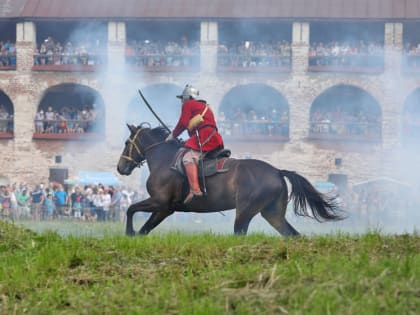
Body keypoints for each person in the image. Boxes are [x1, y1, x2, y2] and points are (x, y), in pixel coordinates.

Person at [165, 84, 224, 204]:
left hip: (205, 135)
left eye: (183, 98)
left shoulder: (189, 104)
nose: (182, 101)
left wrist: (173, 135)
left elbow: (183, 122)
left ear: (188, 97)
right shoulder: (203, 106)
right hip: (210, 135)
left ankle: (195, 190)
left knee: (188, 158)